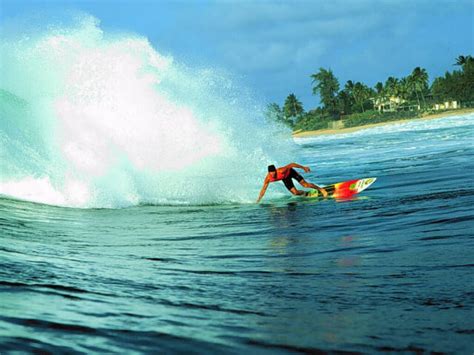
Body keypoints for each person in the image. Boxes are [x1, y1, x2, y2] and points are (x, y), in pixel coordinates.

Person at [256, 163, 328, 203]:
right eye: (271, 173)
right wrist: (259, 199)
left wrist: (303, 167)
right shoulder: (268, 179)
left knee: (305, 185)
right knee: (295, 193)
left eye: (274, 172)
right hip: (285, 178)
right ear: (269, 172)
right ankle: (304, 193)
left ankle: (321, 189)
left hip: (291, 173)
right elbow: (263, 189)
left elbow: (291, 164)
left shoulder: (281, 170)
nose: (273, 174)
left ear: (275, 170)